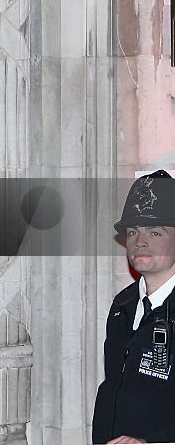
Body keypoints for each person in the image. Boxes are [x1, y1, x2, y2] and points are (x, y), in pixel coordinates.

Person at [92, 169, 175, 444]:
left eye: (155, 231)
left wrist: (152, 442)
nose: (140, 241)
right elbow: (113, 390)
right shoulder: (122, 306)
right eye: (133, 231)